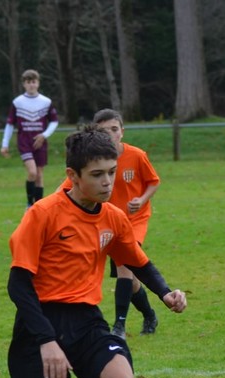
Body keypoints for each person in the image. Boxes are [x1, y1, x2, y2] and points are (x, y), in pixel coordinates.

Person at [3, 126, 187, 378]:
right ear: (72, 176)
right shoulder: (43, 214)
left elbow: (136, 260)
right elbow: (18, 285)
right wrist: (47, 341)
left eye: (111, 172)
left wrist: (165, 293)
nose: (108, 182)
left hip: (87, 322)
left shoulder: (113, 217)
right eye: (97, 174)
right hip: (40, 325)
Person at [59, 109, 161, 339]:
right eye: (104, 131)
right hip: (107, 223)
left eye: (114, 129)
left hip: (134, 221)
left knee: (125, 267)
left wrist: (141, 200)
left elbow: (153, 182)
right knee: (131, 280)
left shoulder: (136, 155)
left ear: (122, 131)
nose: (111, 135)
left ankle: (119, 326)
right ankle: (149, 315)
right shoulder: (92, 161)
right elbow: (65, 189)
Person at [0, 69, 59, 208]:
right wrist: (4, 144)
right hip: (24, 142)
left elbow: (54, 121)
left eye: (34, 82)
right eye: (28, 82)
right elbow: (10, 124)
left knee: (39, 175)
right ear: (24, 84)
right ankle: (29, 203)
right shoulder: (18, 102)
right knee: (32, 172)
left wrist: (44, 135)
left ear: (38, 83)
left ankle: (38, 206)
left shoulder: (46, 102)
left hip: (40, 143)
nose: (31, 85)